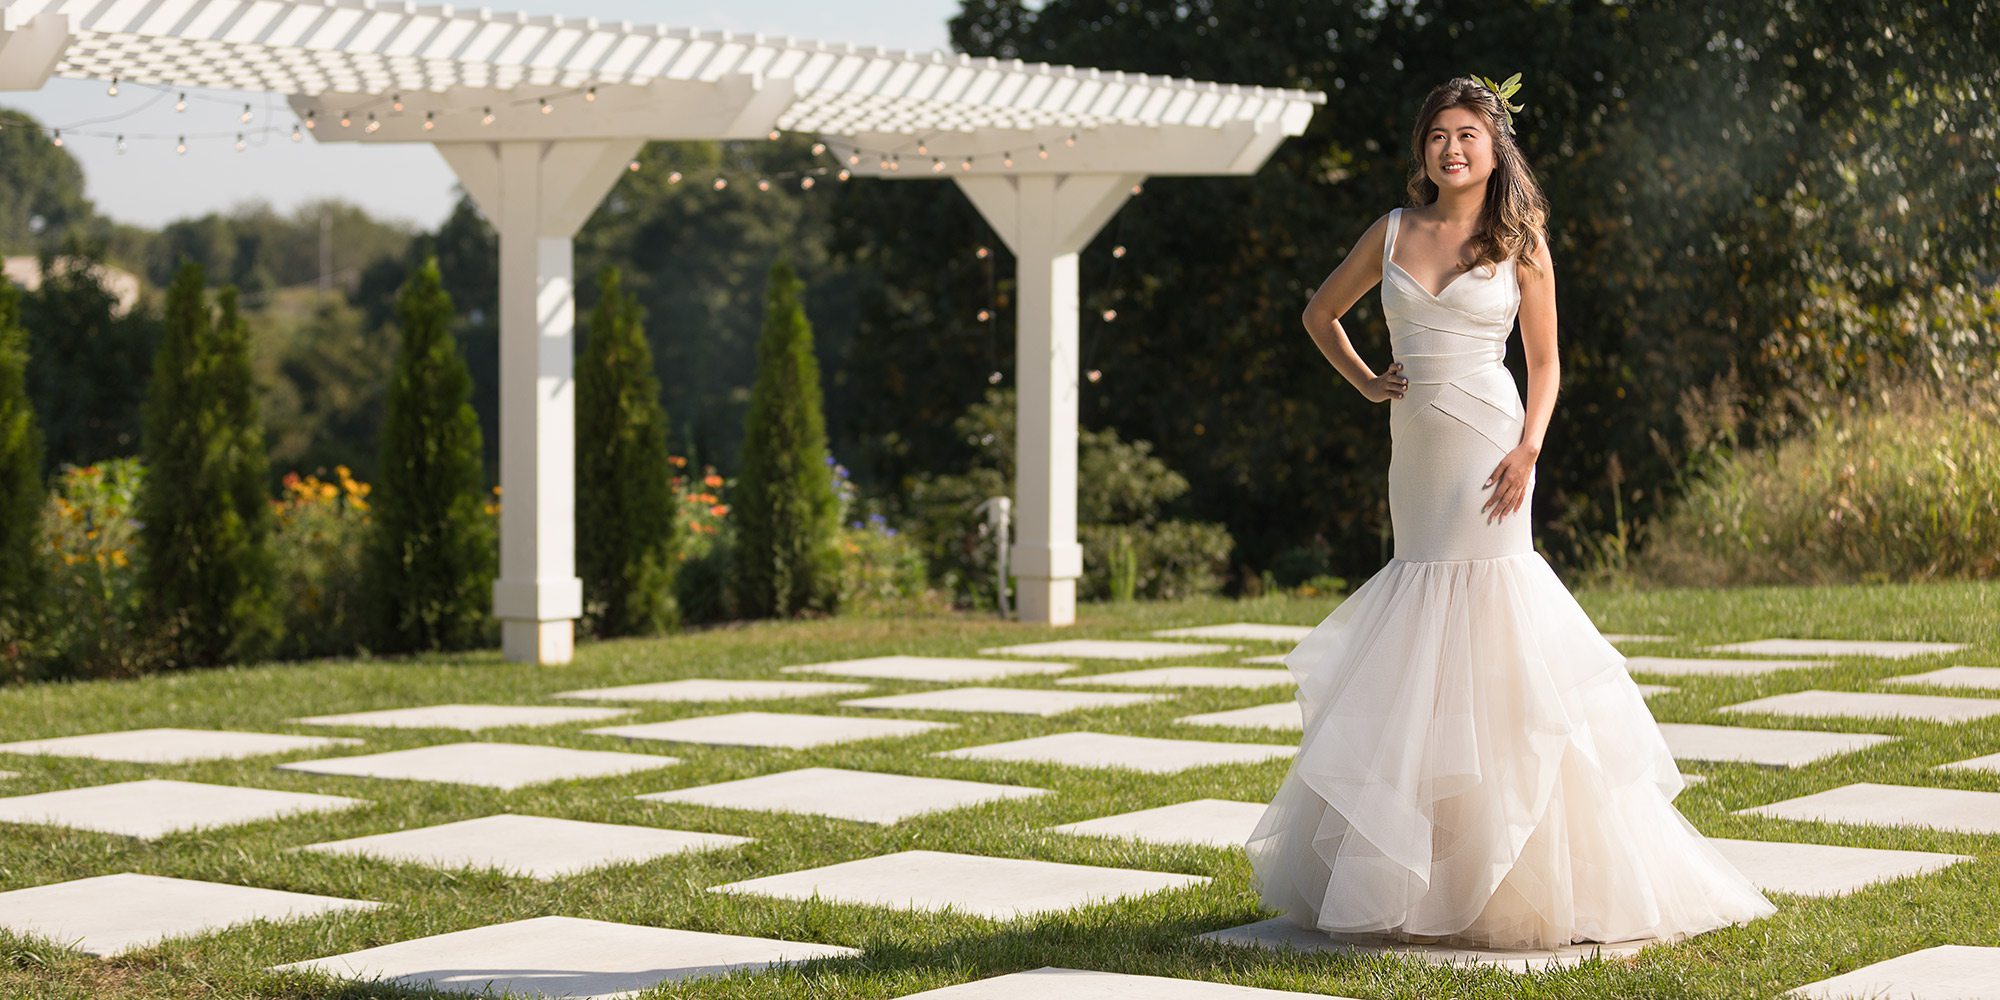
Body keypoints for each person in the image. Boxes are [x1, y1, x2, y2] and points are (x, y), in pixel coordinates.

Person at [1243, 74, 1778, 951]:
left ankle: (1519, 861)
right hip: (1416, 445)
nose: (1451, 149)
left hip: (1493, 447)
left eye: (1468, 136)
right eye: (1438, 135)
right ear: (1423, 148)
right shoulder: (1390, 230)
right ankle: (1424, 863)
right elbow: (1318, 313)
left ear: (1496, 150)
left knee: (1495, 614)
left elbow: (1547, 361)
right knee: (1420, 614)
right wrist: (1366, 381)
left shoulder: (1520, 239)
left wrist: (1529, 446)